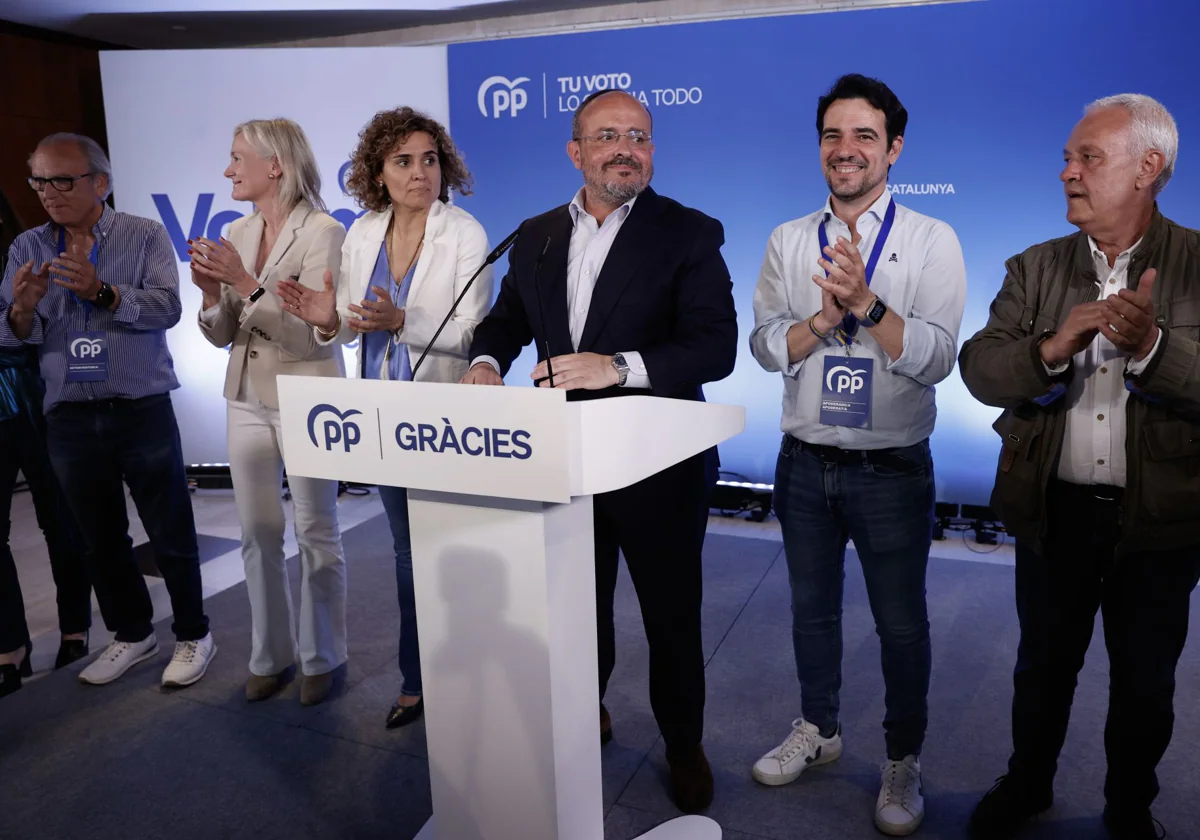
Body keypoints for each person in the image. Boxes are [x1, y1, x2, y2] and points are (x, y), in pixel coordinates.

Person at [461, 89, 738, 814]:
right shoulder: (538, 232)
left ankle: (683, 745)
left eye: (639, 136)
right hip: (562, 457)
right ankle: (587, 716)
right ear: (575, 151)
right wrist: (487, 364)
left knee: (670, 617)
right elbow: (506, 320)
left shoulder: (690, 232)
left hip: (660, 464)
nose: (626, 149)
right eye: (608, 135)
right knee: (576, 610)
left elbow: (715, 346)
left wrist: (618, 366)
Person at [959, 94, 1197, 840]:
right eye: (1068, 158)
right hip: (1052, 514)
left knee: (1145, 684)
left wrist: (1155, 351)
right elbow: (979, 369)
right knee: (1041, 670)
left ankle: (1131, 810)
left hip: (1160, 526)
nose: (1067, 172)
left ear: (1148, 168)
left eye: (1087, 158)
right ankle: (1027, 785)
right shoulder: (1033, 267)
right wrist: (1049, 350)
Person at [748, 73, 967, 836]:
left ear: (894, 149)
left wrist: (869, 305)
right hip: (803, 461)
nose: (847, 151)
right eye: (833, 136)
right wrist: (822, 316)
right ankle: (820, 728)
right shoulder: (787, 238)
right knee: (811, 613)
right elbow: (766, 344)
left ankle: (903, 758)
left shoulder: (931, 239)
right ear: (820, 149)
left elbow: (938, 358)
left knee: (901, 625)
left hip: (891, 468)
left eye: (864, 136)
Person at [278, 107, 492, 727]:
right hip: (381, 416)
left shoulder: (466, 233)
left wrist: (405, 321)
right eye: (404, 161)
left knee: (454, 551)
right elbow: (347, 326)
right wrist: (324, 314)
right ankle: (418, 679)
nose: (420, 172)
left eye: (430, 159)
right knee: (406, 552)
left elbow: (475, 332)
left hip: (443, 418)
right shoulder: (364, 232)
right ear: (378, 171)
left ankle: (470, 673)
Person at [0, 133, 216, 688]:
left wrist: (103, 292)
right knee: (98, 538)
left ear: (101, 182)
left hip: (139, 406)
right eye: (39, 181)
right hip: (68, 416)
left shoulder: (142, 235)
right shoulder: (27, 247)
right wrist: (21, 311)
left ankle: (194, 633)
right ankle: (132, 634)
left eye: (62, 180)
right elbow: (14, 332)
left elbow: (167, 307)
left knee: (168, 528)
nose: (49, 193)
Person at [194, 119, 348, 706]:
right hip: (246, 399)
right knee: (258, 534)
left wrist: (243, 281)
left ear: (275, 166)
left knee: (315, 530)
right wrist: (212, 297)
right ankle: (270, 655)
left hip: (307, 397)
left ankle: (321, 657)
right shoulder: (238, 228)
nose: (229, 170)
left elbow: (314, 338)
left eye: (237, 158)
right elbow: (223, 334)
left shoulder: (325, 232)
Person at [0, 343, 91, 698]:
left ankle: (74, 628)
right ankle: (10, 645)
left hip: (40, 399)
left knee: (61, 522)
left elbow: (39, 330)